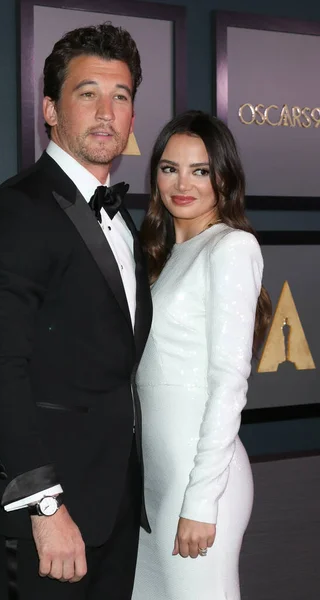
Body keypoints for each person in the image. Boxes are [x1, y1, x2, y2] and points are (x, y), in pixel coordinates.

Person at [0, 23, 152, 600]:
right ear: (50, 108)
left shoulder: (123, 218)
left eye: (120, 96)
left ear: (132, 117)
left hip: (114, 505)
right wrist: (46, 507)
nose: (106, 111)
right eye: (86, 93)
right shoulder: (16, 210)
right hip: (48, 519)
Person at [132, 110, 272, 600]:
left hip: (200, 481)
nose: (182, 183)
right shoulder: (161, 256)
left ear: (224, 177)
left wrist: (200, 500)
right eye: (169, 168)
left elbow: (229, 382)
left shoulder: (231, 248)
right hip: (152, 481)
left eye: (200, 170)